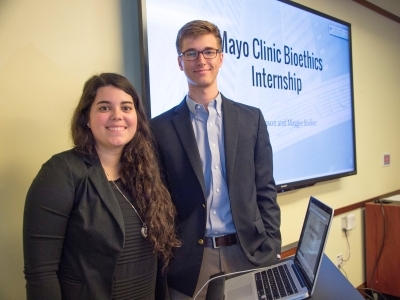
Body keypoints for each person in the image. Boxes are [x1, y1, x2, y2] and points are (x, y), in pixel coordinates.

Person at [150, 20, 281, 299]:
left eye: (209, 51)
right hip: (189, 260)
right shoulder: (159, 128)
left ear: (220, 58)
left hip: (246, 253)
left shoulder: (251, 119)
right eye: (191, 53)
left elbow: (266, 189)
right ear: (180, 62)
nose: (201, 60)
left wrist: (270, 243)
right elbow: (157, 201)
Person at [23, 73, 180, 300]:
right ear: (87, 117)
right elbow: (41, 274)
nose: (117, 116)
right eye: (105, 108)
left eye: (126, 108)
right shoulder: (60, 172)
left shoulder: (146, 175)